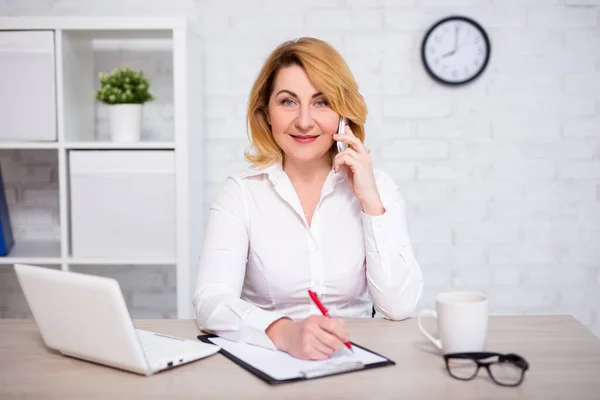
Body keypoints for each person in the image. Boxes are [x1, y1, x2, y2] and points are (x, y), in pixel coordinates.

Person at [193, 37, 423, 361]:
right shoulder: (240, 193)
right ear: (266, 113)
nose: (303, 121)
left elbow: (399, 307)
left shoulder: (378, 187)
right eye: (288, 102)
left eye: (321, 102)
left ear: (344, 113)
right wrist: (285, 332)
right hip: (270, 358)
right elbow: (210, 301)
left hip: (356, 359)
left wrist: (370, 201)